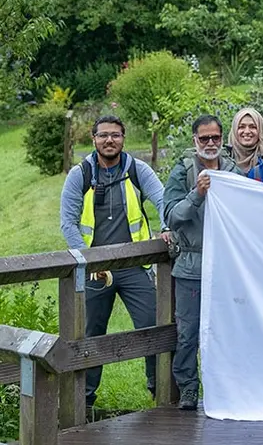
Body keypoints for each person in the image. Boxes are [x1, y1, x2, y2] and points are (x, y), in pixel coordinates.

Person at [60, 115, 170, 410]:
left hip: (135, 266)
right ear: (93, 139)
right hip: (96, 270)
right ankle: (83, 402)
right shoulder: (80, 174)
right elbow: (68, 224)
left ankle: (160, 393)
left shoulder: (137, 169)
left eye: (116, 135)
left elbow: (162, 201)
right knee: (90, 335)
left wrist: (167, 226)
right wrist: (89, 260)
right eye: (103, 135)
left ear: (124, 138)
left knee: (153, 326)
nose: (110, 140)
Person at [164, 115, 242, 410]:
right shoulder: (182, 171)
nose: (210, 144)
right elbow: (171, 216)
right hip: (191, 267)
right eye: (204, 138)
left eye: (216, 138)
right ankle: (187, 389)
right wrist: (197, 194)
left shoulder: (234, 171)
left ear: (223, 139)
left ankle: (225, 386)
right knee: (188, 333)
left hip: (227, 266)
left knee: (229, 330)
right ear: (194, 140)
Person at [224, 108, 263, 175]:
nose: (247, 131)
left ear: (260, 130)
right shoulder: (222, 159)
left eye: (253, 127)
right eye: (241, 127)